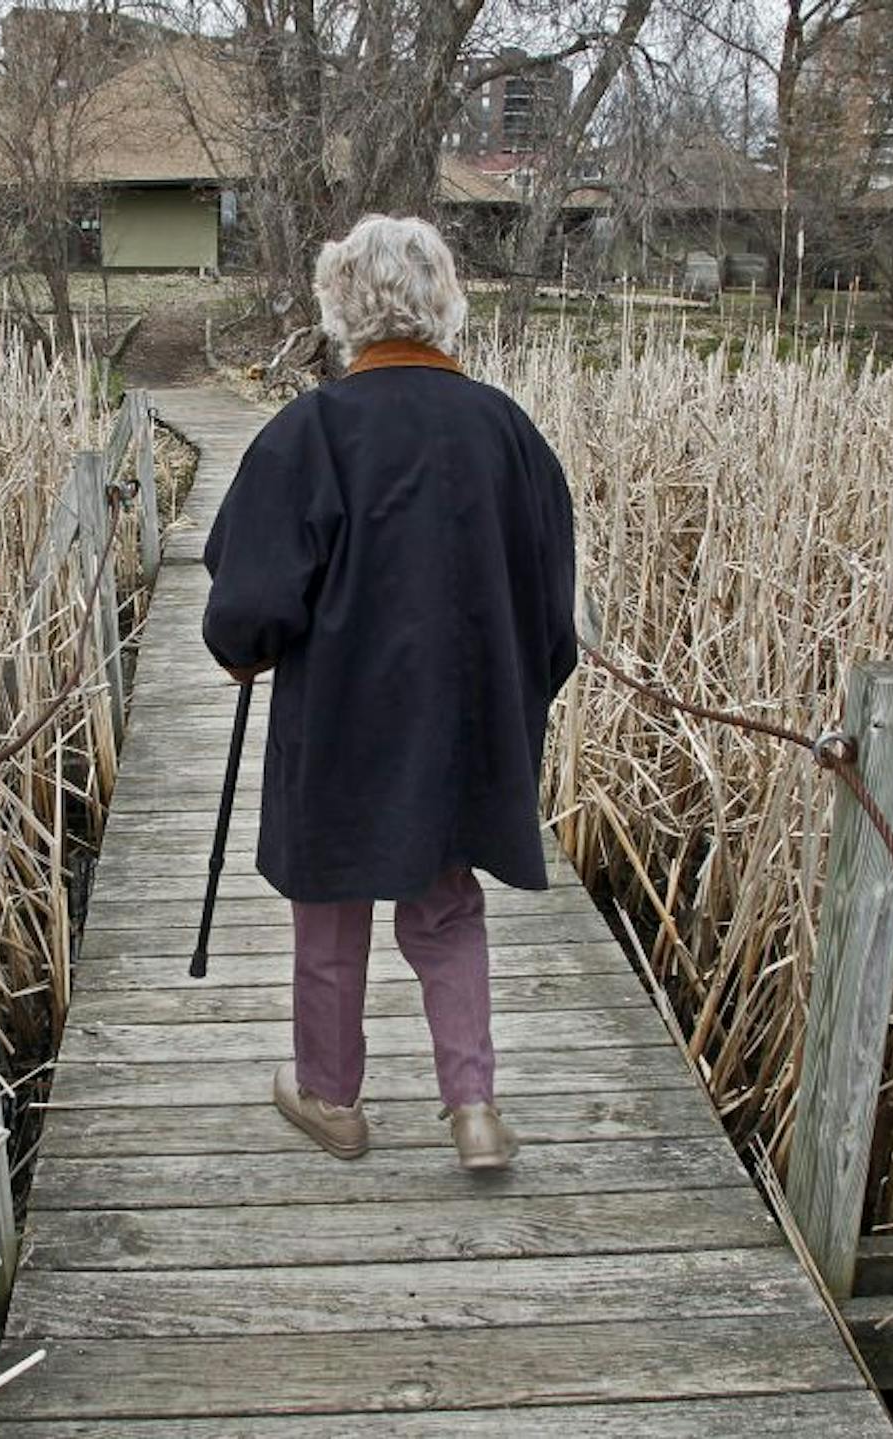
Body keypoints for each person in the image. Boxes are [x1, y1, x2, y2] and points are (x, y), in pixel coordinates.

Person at [201, 215, 579, 1171]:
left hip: (338, 726)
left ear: (342, 308)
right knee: (446, 908)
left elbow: (248, 604)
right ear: (445, 303)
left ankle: (331, 1099)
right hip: (461, 724)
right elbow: (551, 602)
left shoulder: (311, 430)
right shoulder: (507, 431)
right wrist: (518, 693)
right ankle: (475, 1107)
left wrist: (243, 651)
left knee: (329, 915)